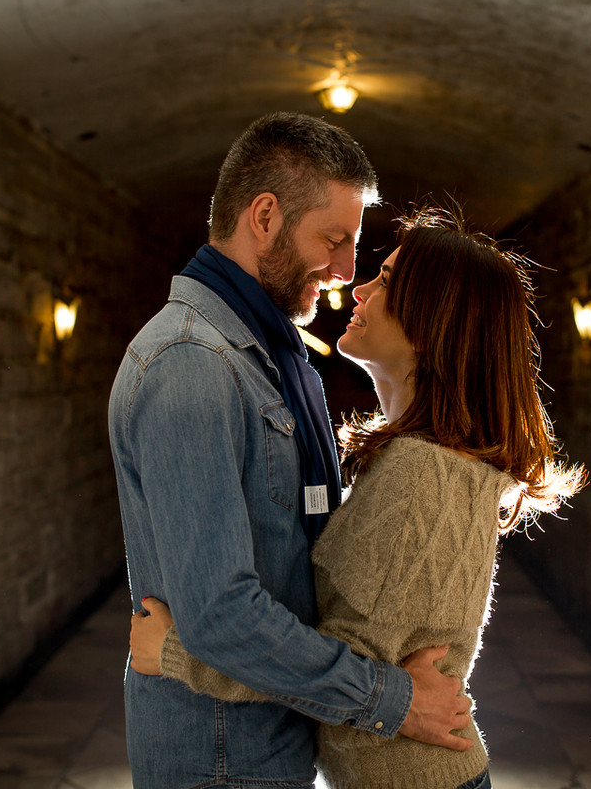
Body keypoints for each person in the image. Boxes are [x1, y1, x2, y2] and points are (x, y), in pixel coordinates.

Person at [130, 207, 586, 788]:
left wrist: (174, 655)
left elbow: (329, 669)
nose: (359, 287)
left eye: (388, 281)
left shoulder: (421, 474)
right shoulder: (440, 461)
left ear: (433, 322)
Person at [108, 113, 472, 789]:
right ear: (265, 216)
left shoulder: (272, 355)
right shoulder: (192, 364)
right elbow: (221, 615)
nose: (344, 272)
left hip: (272, 745)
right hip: (221, 761)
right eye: (334, 241)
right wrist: (395, 700)